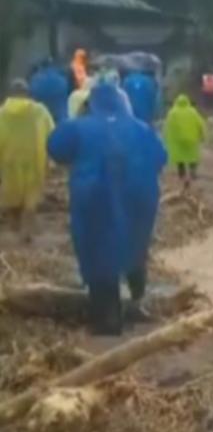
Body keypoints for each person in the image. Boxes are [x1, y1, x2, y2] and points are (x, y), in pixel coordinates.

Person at [48, 83, 166, 335]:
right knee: (136, 244)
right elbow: (160, 157)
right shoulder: (141, 127)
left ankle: (108, 318)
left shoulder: (79, 126)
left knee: (98, 250)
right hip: (139, 197)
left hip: (95, 196)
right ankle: (137, 300)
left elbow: (55, 148)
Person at [0, 80, 55, 241]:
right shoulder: (40, 111)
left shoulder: (2, 113)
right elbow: (51, 133)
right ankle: (26, 233)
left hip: (8, 161)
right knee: (31, 198)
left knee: (11, 197)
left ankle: (14, 231)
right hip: (35, 160)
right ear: (28, 93)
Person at [164, 94, 207, 189]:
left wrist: (166, 138)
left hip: (178, 141)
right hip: (191, 139)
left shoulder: (172, 113)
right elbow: (200, 123)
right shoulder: (193, 112)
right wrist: (203, 135)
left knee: (180, 158)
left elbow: (167, 126)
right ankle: (192, 172)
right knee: (192, 156)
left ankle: (181, 173)